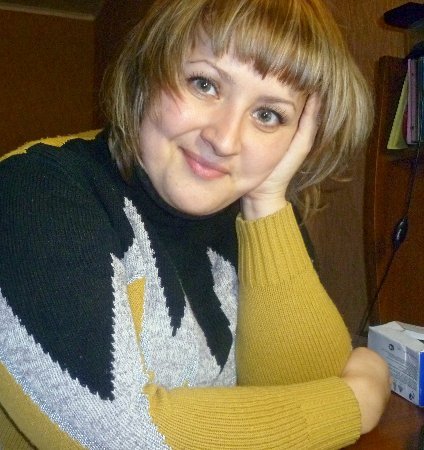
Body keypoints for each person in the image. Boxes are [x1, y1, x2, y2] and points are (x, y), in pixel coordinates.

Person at [0, 0, 391, 448]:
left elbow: (304, 388)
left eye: (268, 115)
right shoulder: (35, 191)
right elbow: (124, 438)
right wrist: (354, 403)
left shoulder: (258, 214)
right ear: (150, 69)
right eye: (205, 84)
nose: (224, 140)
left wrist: (266, 202)